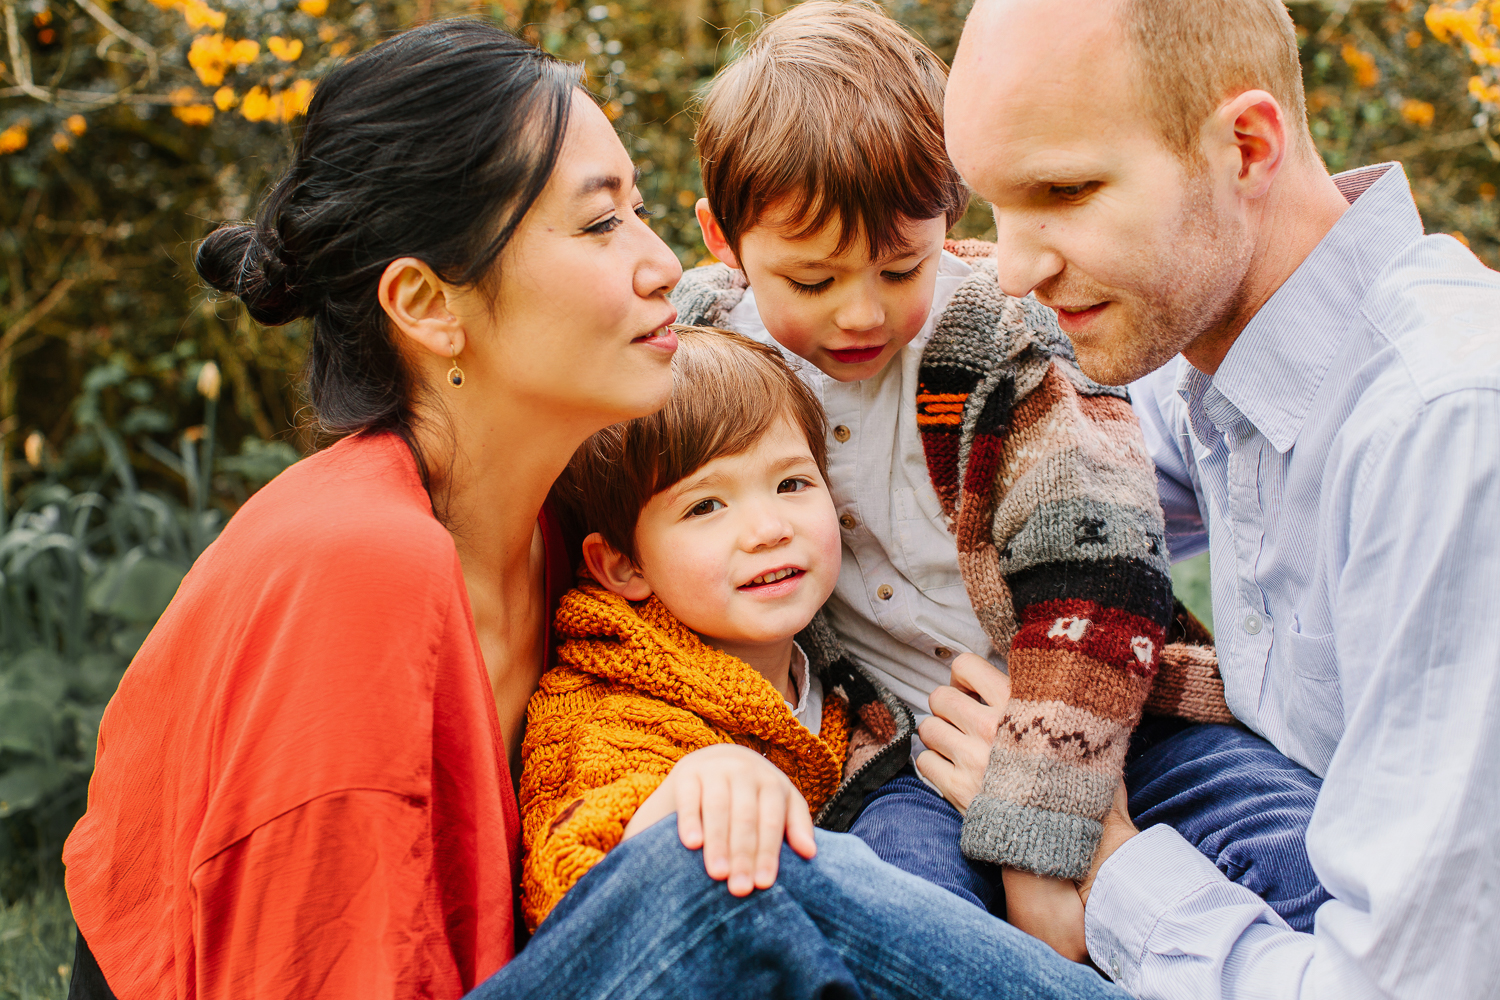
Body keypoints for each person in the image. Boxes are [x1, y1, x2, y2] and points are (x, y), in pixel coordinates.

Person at [62, 20, 684, 998]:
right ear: (430, 304)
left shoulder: (566, 525)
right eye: (603, 224)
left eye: (641, 212)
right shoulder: (358, 565)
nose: (663, 265)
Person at [669, 0, 1292, 953]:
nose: (859, 314)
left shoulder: (1003, 350)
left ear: (950, 217)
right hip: (902, 755)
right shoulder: (709, 367)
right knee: (899, 923)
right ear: (725, 244)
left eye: (897, 266)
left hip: (1110, 705)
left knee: (1278, 841)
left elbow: (1101, 584)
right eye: (811, 281)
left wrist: (1040, 848)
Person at [929, 0, 1500, 994]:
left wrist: (1103, 866)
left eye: (1065, 190)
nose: (1014, 267)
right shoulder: (1210, 370)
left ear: (1245, 147)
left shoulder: (1446, 431)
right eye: (990, 207)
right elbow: (1026, 500)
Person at [521, 325, 916, 930]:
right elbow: (573, 884)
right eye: (706, 505)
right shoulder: (616, 708)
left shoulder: (841, 679)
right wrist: (686, 789)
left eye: (791, 484)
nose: (767, 528)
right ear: (624, 564)